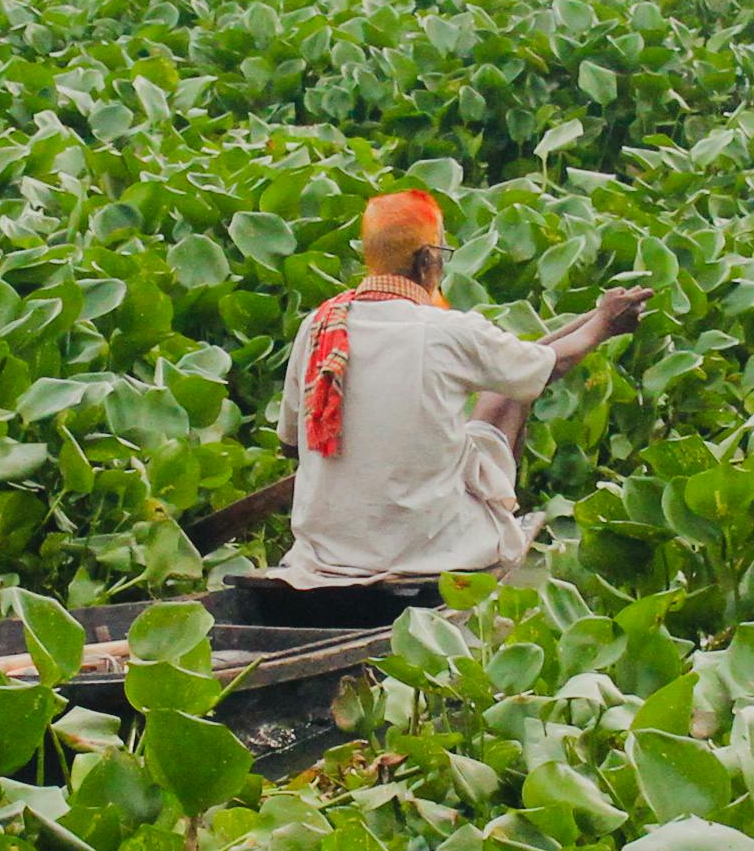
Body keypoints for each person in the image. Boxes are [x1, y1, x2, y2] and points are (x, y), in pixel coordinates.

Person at [247, 187, 648, 606]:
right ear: (426, 261)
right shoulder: (448, 331)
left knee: (514, 375)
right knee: (511, 391)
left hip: (324, 554)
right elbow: (552, 366)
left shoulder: (319, 325)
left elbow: (290, 444)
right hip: (428, 550)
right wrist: (603, 325)